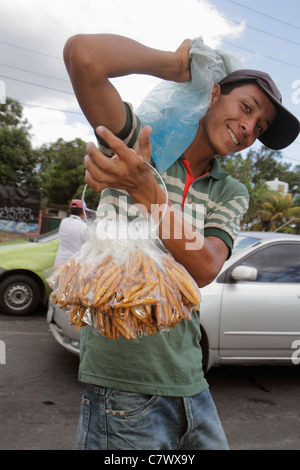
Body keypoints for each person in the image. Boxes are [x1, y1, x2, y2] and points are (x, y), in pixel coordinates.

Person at [63, 34, 300, 450]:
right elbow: (82, 56)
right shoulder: (142, 142)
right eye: (246, 108)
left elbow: (206, 266)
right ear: (213, 94)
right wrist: (175, 65)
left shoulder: (230, 191)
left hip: (191, 380)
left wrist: (147, 194)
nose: (249, 129)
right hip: (123, 386)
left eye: (259, 127)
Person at [55, 199, 87, 265]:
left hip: (59, 261)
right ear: (83, 212)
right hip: (73, 264)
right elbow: (88, 244)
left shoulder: (63, 221)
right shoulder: (83, 226)